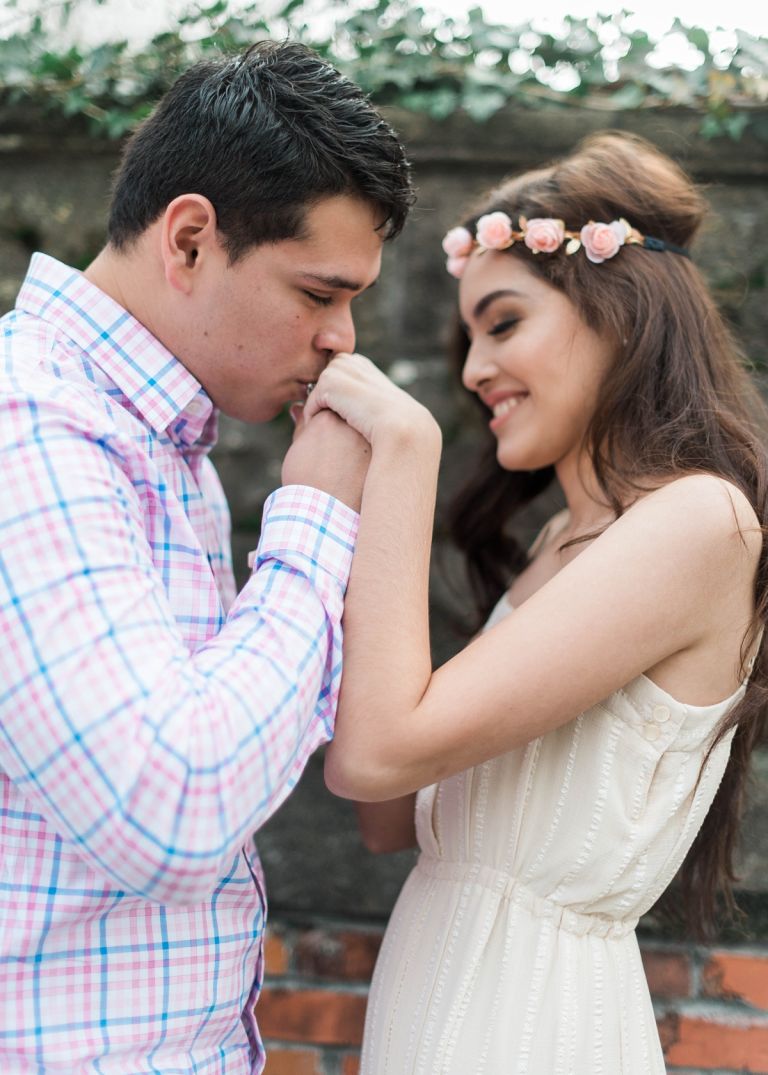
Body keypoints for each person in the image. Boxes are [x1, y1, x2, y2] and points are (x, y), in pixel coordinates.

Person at [289, 131, 768, 1073]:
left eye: (502, 324)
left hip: (535, 1027)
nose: (472, 370)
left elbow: (375, 751)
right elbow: (388, 810)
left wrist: (405, 451)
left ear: (619, 313)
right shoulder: (560, 542)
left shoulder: (702, 523)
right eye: (469, 336)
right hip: (431, 1001)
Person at [0, 41, 412, 1074]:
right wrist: (313, 516)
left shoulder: (156, 436)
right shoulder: (31, 426)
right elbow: (174, 803)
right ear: (188, 239)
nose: (342, 340)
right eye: (320, 293)